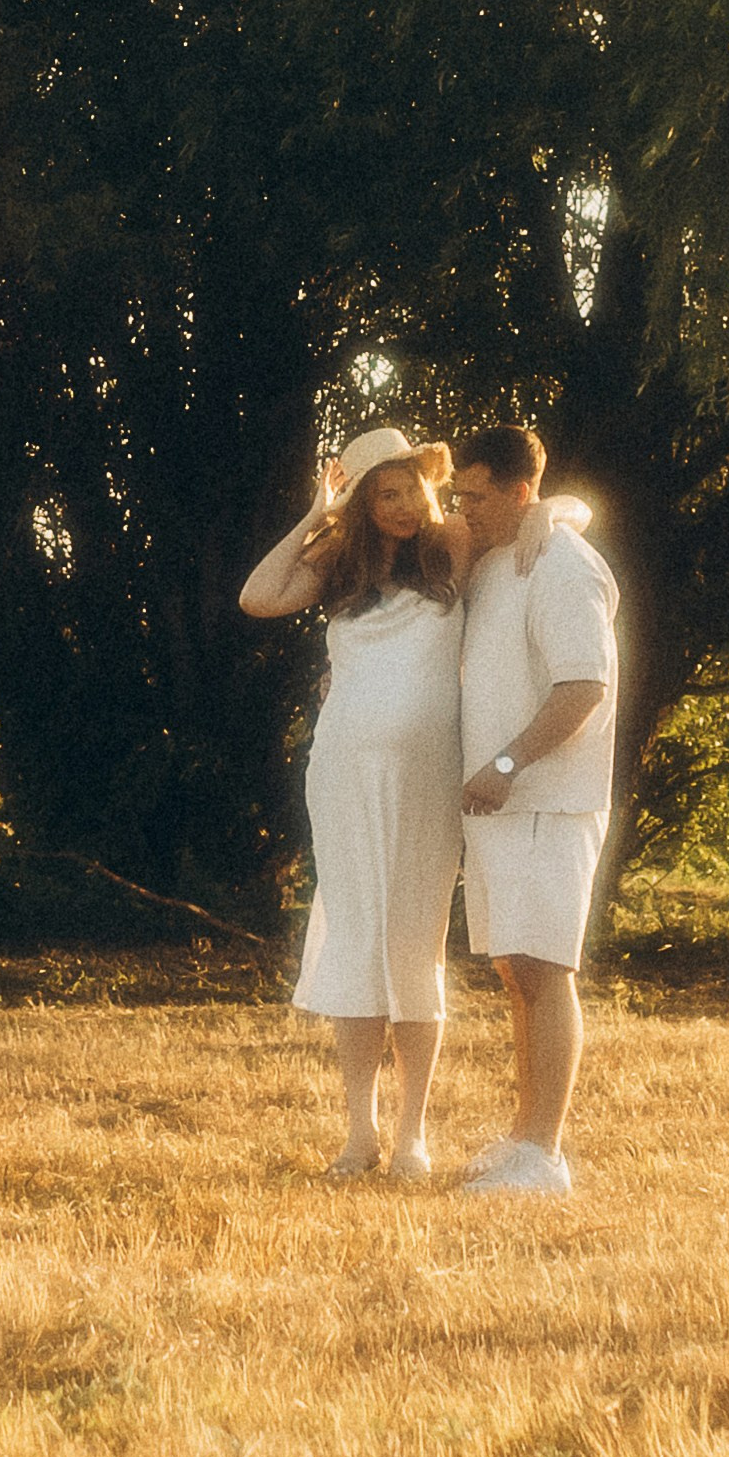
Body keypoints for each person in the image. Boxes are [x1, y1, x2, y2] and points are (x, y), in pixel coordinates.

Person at [241, 426, 470, 1182]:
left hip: (425, 780)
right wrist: (316, 513)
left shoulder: (455, 548)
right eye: (383, 496)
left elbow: (562, 511)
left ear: (427, 484)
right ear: (364, 506)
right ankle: (358, 1133)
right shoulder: (338, 565)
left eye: (409, 488)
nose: (403, 507)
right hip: (342, 771)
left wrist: (549, 521)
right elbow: (258, 596)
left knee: (412, 941)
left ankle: (412, 1138)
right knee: (355, 939)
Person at [449, 422, 619, 1198]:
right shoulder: (497, 560)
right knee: (518, 969)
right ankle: (522, 1140)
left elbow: (583, 687)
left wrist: (508, 764)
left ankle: (544, 1155)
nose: (462, 510)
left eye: (476, 497)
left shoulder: (562, 567)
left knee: (546, 970)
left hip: (548, 801)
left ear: (521, 495)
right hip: (502, 808)